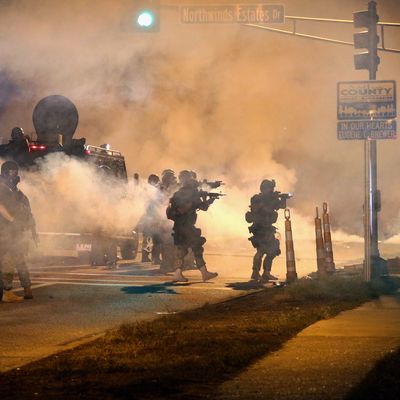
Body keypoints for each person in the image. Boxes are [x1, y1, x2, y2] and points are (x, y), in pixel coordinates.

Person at [166, 170, 218, 282]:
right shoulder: (193, 193)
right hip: (188, 227)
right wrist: (209, 201)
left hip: (178, 226)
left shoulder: (177, 193)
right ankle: (204, 273)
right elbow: (203, 207)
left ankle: (178, 274)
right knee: (197, 248)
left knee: (182, 250)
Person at [0, 161, 37, 301]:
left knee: (20, 260)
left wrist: (32, 229)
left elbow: (27, 211)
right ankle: (7, 292)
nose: (14, 175)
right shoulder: (2, 188)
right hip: (5, 232)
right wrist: (12, 221)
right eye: (11, 172)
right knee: (7, 261)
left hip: (16, 232)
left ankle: (27, 288)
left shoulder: (17, 192)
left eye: (15, 171)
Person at [246, 179, 288, 282]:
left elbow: (282, 206)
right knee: (261, 251)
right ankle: (255, 273)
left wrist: (283, 198)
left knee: (273, 251)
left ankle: (266, 273)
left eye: (272, 188)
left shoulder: (271, 199)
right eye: (270, 188)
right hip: (259, 228)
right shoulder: (256, 198)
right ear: (264, 188)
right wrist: (270, 200)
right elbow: (259, 209)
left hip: (268, 228)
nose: (271, 190)